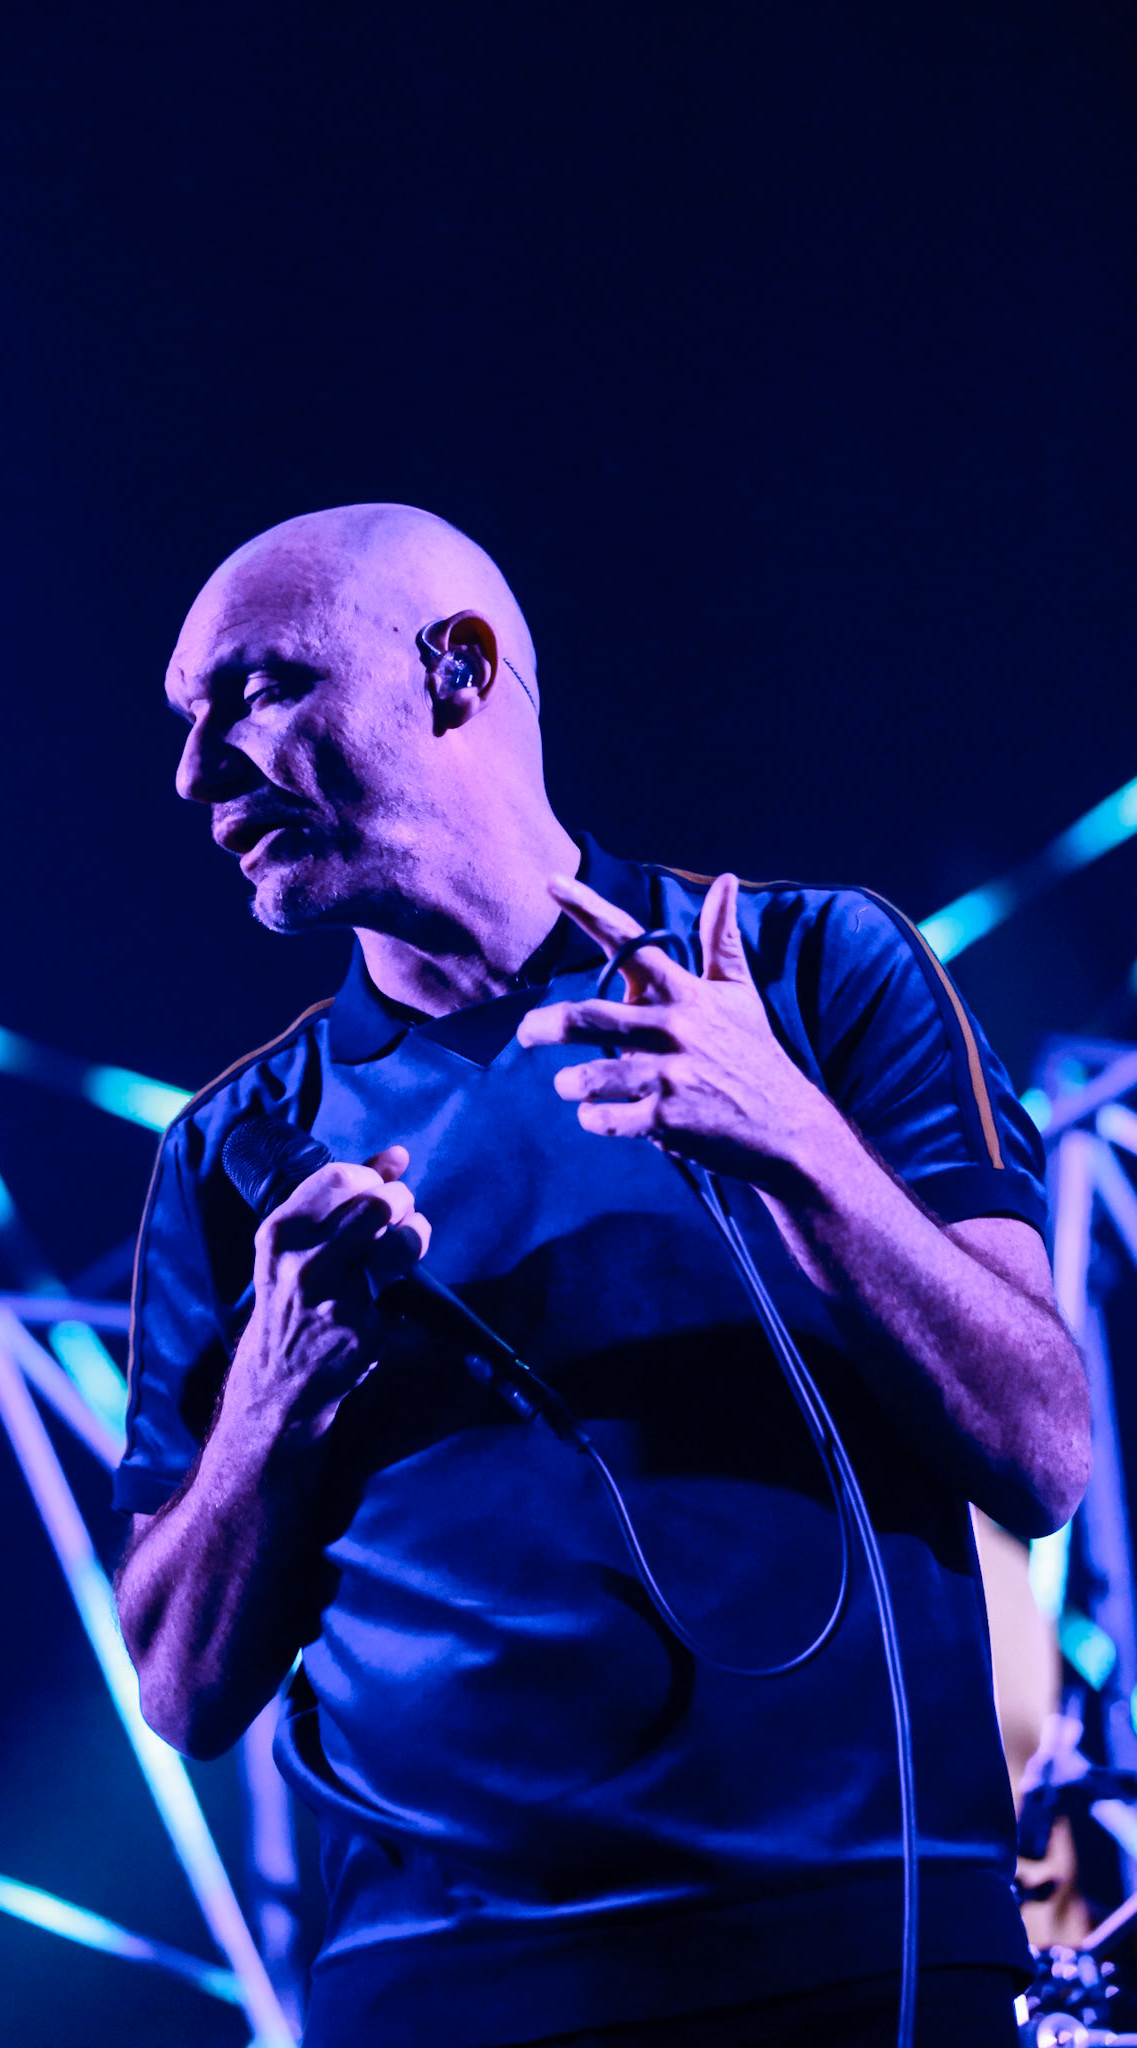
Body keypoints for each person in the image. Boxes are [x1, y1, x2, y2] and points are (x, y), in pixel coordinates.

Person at [113, 503, 1089, 2047]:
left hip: (864, 1952)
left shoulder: (813, 971)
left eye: (260, 689)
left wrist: (794, 1141)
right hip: (439, 1991)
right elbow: (179, 1689)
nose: (195, 772)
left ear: (455, 669)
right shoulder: (235, 1151)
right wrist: (272, 1397)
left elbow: (1041, 1450)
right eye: (186, 718)